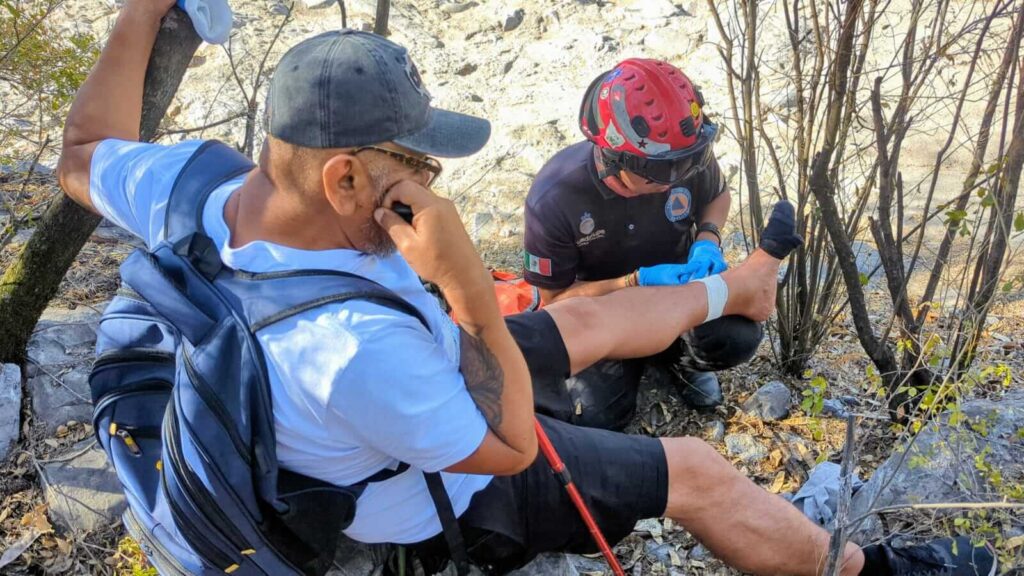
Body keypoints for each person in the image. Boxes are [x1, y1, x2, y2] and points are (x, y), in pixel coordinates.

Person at [57, 2, 996, 575]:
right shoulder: (351, 353)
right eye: (415, 161)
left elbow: (83, 155)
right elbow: (508, 448)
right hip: (432, 498)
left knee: (587, 324)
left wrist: (144, 9)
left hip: (387, 372)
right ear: (343, 178)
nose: (433, 180)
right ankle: (875, 573)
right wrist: (466, 285)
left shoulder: (197, 186)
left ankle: (735, 295)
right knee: (698, 471)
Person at [522, 59, 760, 426]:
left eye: (687, 162)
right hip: (601, 314)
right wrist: (634, 282)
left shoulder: (682, 155)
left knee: (735, 337)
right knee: (598, 417)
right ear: (615, 157)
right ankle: (628, 362)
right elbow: (554, 299)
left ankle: (677, 362)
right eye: (663, 170)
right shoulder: (556, 198)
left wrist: (708, 240)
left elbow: (717, 193)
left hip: (677, 294)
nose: (677, 177)